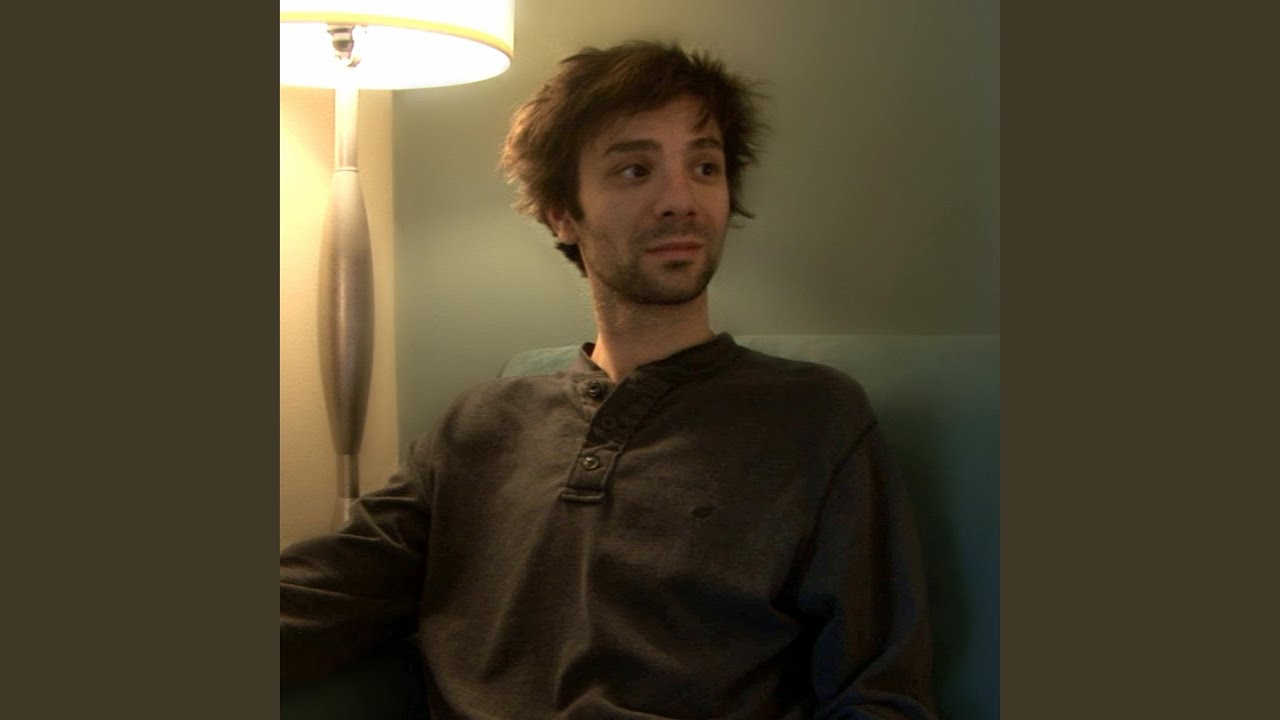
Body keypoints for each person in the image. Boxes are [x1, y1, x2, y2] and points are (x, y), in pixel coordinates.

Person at [281, 40, 937, 719]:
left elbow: (878, 692)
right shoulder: (479, 426)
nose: (681, 200)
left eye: (705, 167)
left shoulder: (812, 418)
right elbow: (325, 594)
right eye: (634, 170)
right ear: (563, 214)